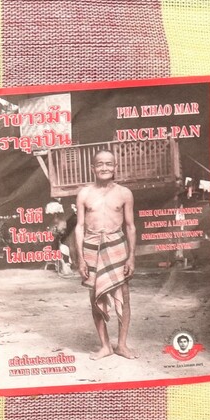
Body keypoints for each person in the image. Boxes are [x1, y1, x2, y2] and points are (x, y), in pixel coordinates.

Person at [75, 149, 137, 359]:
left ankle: (122, 345)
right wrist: (80, 258)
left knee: (124, 296)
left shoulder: (124, 193)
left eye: (109, 164)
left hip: (117, 245)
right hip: (91, 246)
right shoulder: (84, 194)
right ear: (92, 168)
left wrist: (131, 257)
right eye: (100, 164)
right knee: (95, 297)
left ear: (115, 167)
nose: (104, 167)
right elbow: (79, 227)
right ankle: (105, 346)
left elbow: (130, 227)